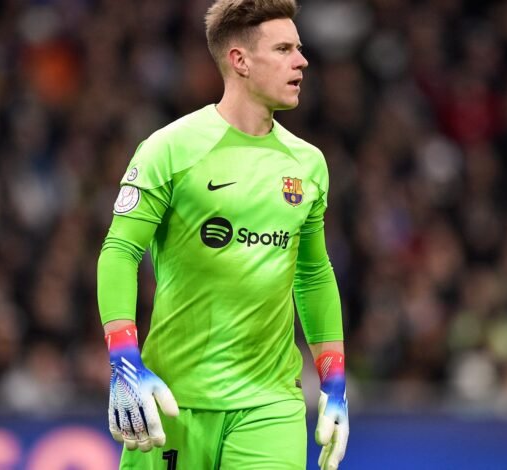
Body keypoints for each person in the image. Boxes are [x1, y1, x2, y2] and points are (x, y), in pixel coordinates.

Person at [96, 1, 348, 468]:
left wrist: (334, 380)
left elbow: (313, 273)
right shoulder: (169, 149)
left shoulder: (308, 164)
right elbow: (120, 251)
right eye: (284, 49)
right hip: (174, 400)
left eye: (299, 48)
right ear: (240, 60)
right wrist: (124, 360)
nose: (302, 61)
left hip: (271, 404)